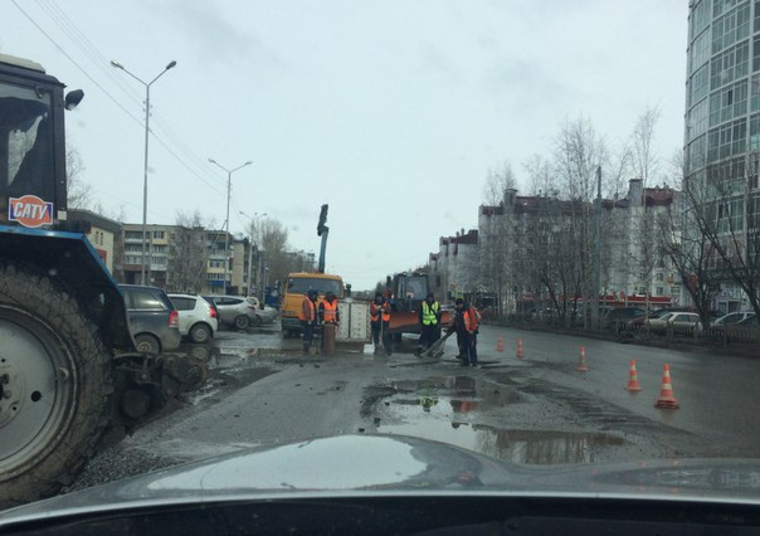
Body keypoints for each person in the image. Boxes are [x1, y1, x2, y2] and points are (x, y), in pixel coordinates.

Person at [449, 298, 480, 367]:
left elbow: (474, 320)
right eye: (457, 305)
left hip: (469, 333)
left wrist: (472, 329)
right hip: (461, 333)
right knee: (463, 348)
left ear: (462, 304)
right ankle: (466, 363)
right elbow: (455, 321)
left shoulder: (469, 310)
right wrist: (451, 328)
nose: (458, 306)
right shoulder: (457, 311)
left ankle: (474, 363)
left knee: (472, 348)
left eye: (459, 305)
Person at [298, 289, 318, 355]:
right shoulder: (307, 301)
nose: (316, 297)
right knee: (308, 334)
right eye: (315, 295)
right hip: (308, 321)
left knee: (309, 334)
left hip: (310, 321)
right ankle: (306, 347)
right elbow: (306, 311)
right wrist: (308, 319)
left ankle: (307, 346)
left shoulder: (311, 301)